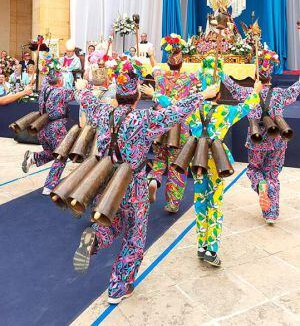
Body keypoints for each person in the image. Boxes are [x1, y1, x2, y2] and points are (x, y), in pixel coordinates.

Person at [73, 57, 218, 304]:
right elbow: (176, 112)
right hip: (133, 186)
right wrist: (202, 94)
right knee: (134, 237)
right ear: (138, 98)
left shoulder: (102, 111)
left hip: (107, 181)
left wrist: (80, 88)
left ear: (117, 95)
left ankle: (95, 239)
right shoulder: (143, 120)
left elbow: (85, 98)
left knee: (110, 221)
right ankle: (118, 287)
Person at [153, 56, 262, 266]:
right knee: (215, 203)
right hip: (217, 162)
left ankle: (201, 246)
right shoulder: (225, 111)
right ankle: (211, 249)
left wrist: (155, 94)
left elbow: (173, 104)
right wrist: (256, 91)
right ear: (219, 93)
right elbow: (247, 107)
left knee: (200, 200)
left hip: (198, 160)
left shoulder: (193, 110)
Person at [223, 47, 300, 224]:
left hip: (256, 140)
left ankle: (260, 184)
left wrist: (221, 74)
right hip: (278, 141)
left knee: (254, 170)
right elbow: (295, 90)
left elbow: (233, 88)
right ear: (271, 76)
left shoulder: (249, 94)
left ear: (256, 75)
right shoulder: (279, 94)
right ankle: (271, 214)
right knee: (272, 174)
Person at [147, 35, 200, 212]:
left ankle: (154, 180)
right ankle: (172, 203)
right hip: (179, 127)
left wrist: (151, 55)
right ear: (181, 63)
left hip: (160, 124)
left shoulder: (160, 77)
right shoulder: (188, 78)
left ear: (168, 63)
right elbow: (205, 78)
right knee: (178, 164)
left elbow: (154, 67)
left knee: (159, 158)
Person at [22, 56, 74, 195]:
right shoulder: (61, 91)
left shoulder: (43, 90)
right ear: (60, 80)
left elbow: (46, 80)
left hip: (42, 128)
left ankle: (34, 157)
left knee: (51, 153)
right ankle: (49, 186)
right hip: (55, 128)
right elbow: (76, 94)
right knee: (61, 155)